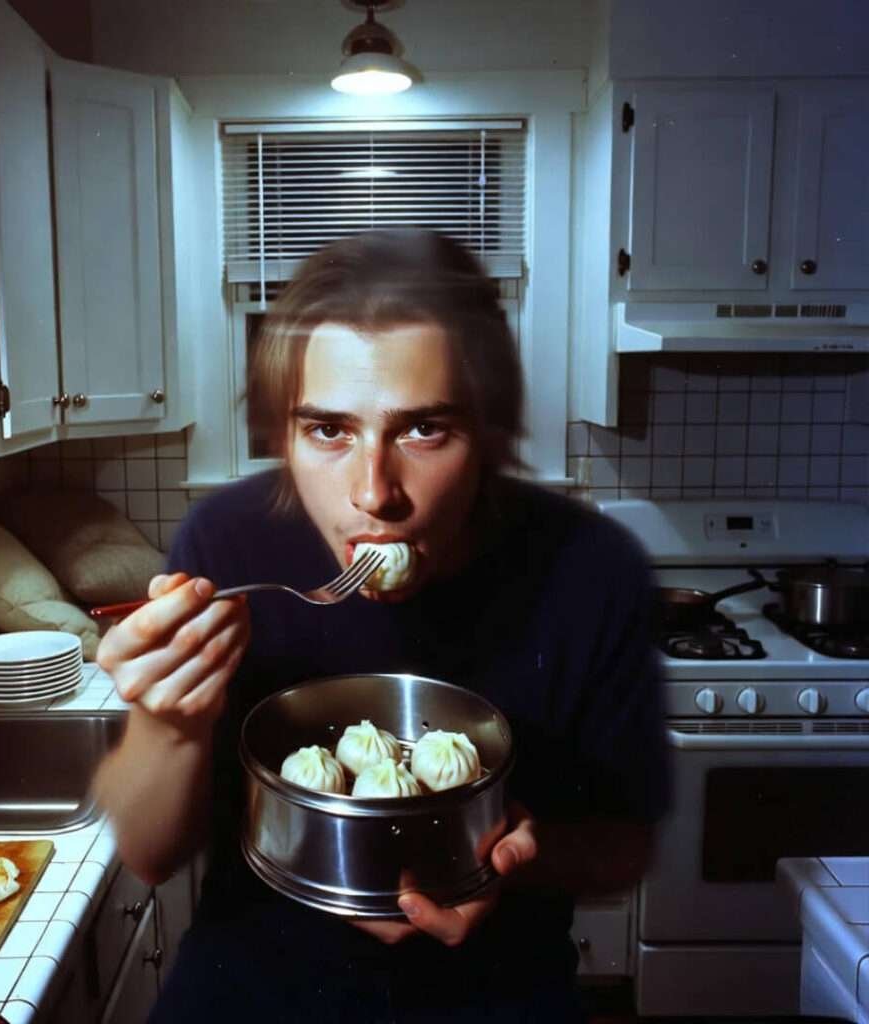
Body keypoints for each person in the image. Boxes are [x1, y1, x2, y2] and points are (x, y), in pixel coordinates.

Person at [92, 229, 671, 1023]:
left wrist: (515, 862)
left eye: (424, 429)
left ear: (489, 434)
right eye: (329, 430)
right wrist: (168, 720)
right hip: (252, 991)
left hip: (496, 997)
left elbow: (627, 846)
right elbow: (149, 855)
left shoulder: (589, 568)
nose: (374, 493)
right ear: (286, 436)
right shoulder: (227, 544)